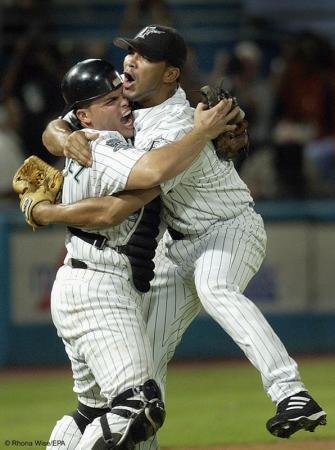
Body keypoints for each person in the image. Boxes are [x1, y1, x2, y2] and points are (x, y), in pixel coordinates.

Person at [40, 26, 327, 446]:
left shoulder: (181, 124)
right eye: (130, 52)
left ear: (171, 74)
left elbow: (130, 195)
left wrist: (47, 210)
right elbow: (59, 122)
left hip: (228, 228)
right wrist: (63, 136)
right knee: (142, 380)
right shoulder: (126, 104)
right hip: (176, 248)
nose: (130, 62)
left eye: (144, 57)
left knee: (215, 285)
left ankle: (291, 393)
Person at [37, 57, 239, 450]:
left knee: (91, 411)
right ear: (85, 114)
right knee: (138, 406)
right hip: (98, 286)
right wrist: (201, 134)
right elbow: (150, 174)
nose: (123, 103)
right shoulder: (102, 144)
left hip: (88, 279)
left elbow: (56, 131)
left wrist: (57, 139)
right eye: (111, 100)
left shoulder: (83, 130)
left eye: (121, 94)